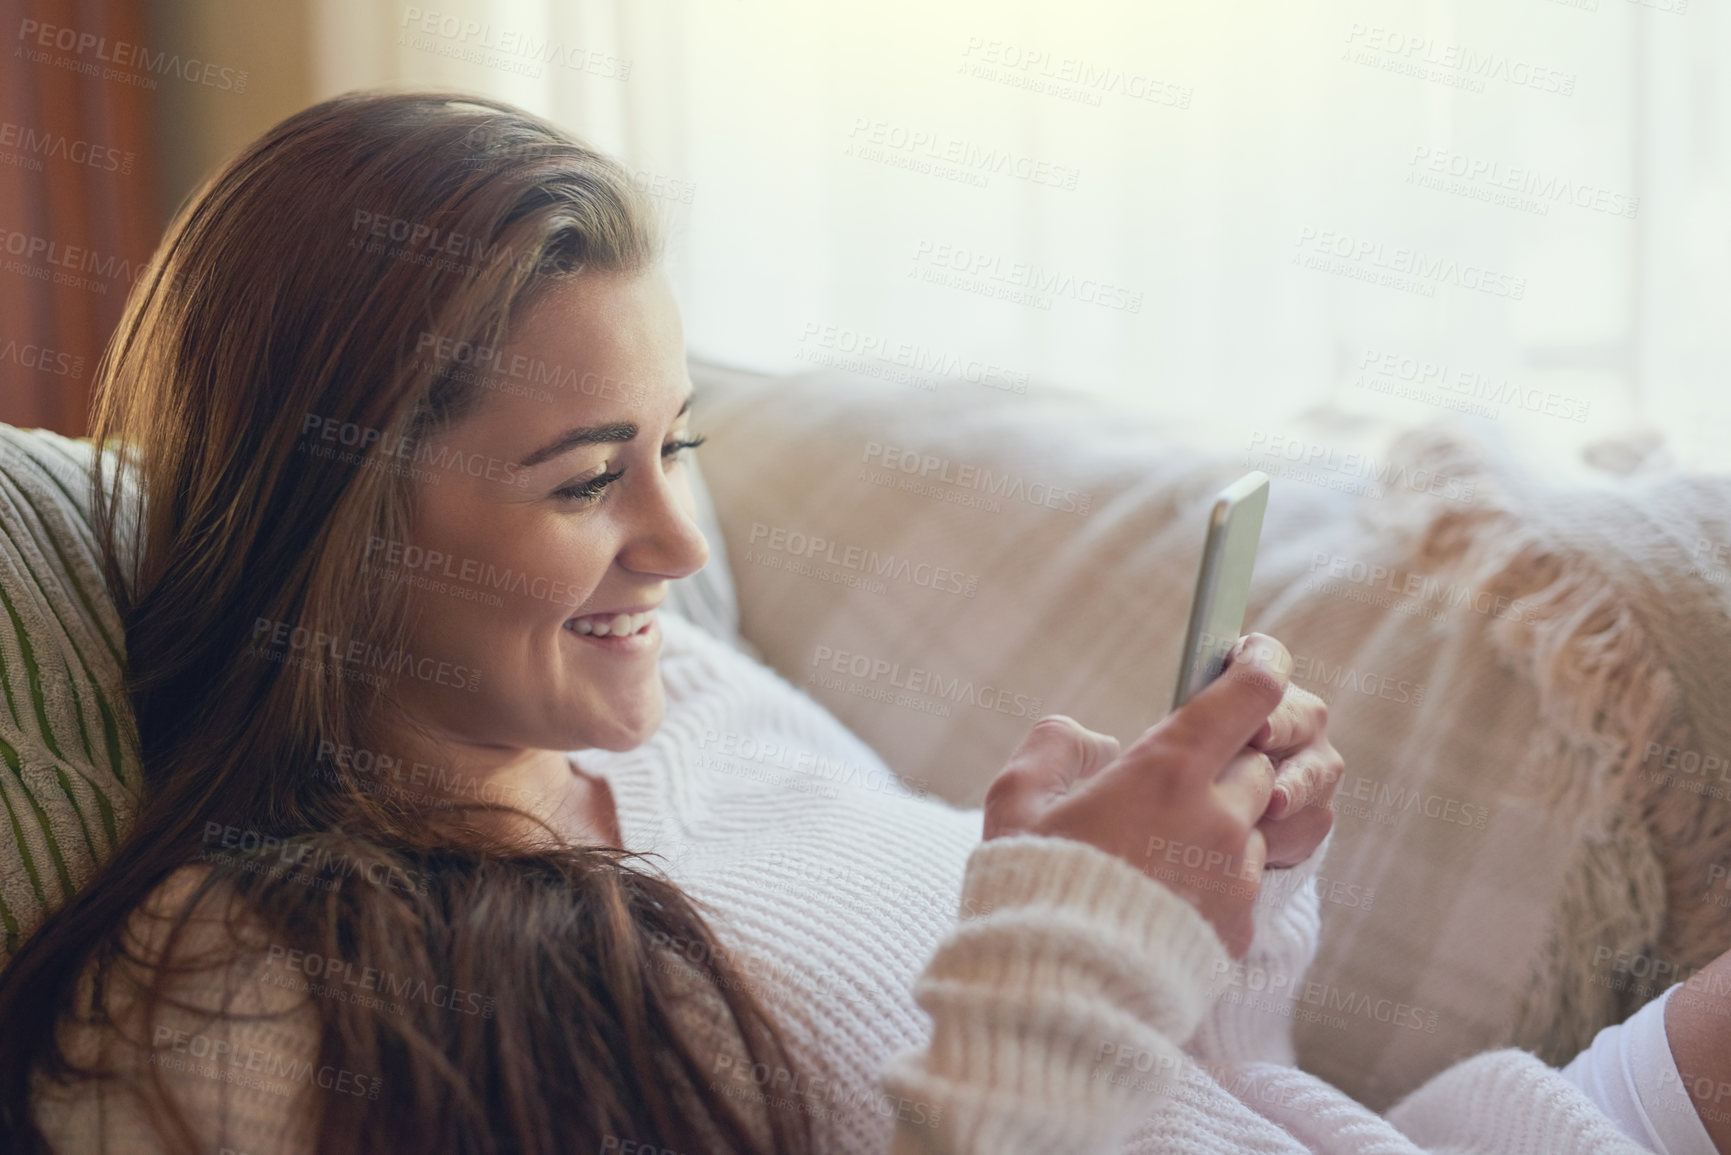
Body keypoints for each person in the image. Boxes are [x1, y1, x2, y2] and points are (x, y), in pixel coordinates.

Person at [0, 89, 1722, 1155]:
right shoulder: (230, 1008)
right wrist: (1076, 950)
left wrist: (1202, 917)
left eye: (678, 441)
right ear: (336, 516)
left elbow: (1175, 1103)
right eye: (586, 477)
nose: (679, 538)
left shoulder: (687, 700)